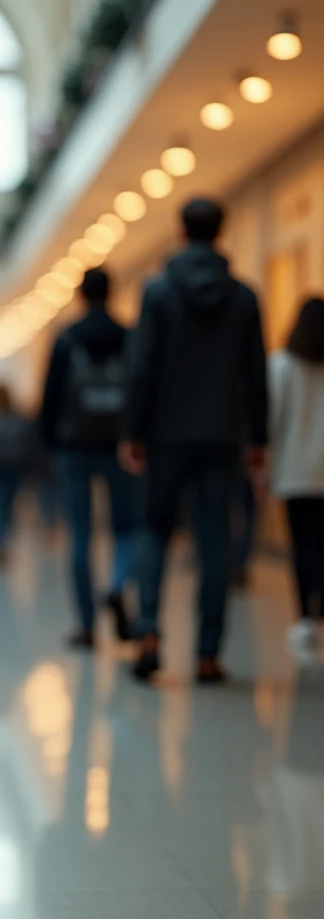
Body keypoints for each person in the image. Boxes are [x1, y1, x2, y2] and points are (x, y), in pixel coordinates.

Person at [120, 198, 268, 684]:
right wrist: (258, 438)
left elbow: (143, 367)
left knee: (154, 532)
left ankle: (148, 634)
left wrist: (134, 431)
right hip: (223, 434)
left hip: (165, 435)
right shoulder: (245, 297)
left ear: (181, 231)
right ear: (221, 231)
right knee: (214, 541)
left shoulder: (159, 292)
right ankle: (207, 654)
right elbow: (255, 373)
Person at [40, 267, 135, 647]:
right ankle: (115, 584)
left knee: (80, 533)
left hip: (74, 447)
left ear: (80, 295)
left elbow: (50, 398)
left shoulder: (66, 340)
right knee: (125, 528)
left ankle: (86, 625)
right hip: (119, 447)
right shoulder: (128, 337)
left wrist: (51, 444)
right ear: (111, 293)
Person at [269, 297, 324, 654]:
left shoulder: (283, 365)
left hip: (295, 472)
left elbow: (273, 417)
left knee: (303, 546)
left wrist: (262, 465)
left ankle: (307, 618)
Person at [0, 383, 32, 567]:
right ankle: (3, 539)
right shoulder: (18, 419)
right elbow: (27, 444)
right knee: (8, 505)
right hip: (14, 468)